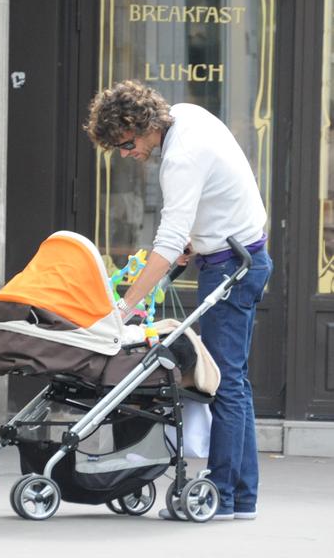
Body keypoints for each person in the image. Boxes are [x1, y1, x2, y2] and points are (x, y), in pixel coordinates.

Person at [85, 79, 273, 520]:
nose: (128, 155)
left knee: (223, 382)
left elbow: (166, 241)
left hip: (231, 264)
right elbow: (214, 195)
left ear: (144, 125)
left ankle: (223, 497)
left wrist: (125, 307)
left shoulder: (179, 160)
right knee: (233, 381)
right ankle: (241, 497)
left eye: (127, 144)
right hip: (239, 253)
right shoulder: (187, 115)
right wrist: (198, 239)